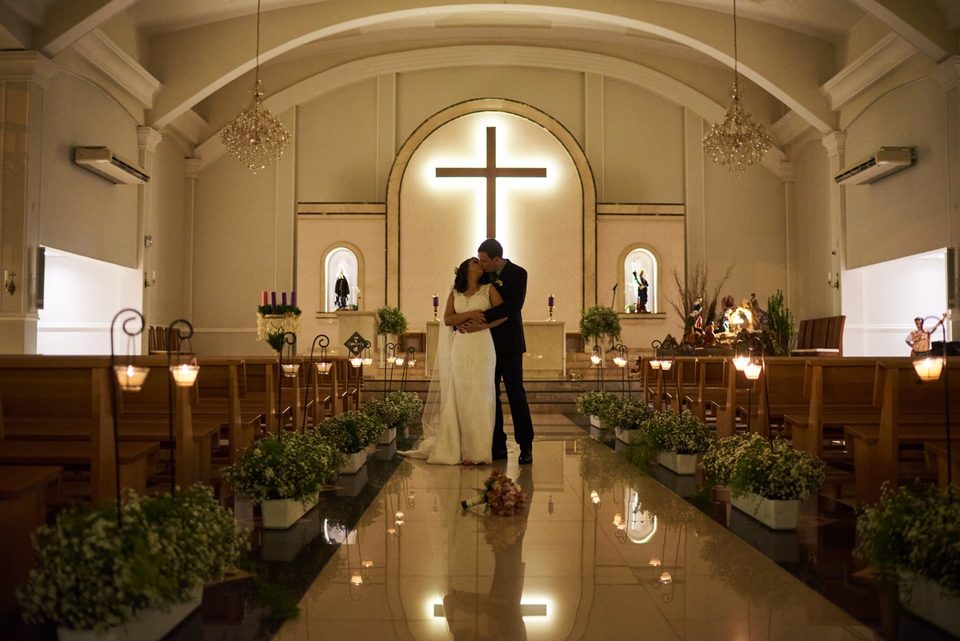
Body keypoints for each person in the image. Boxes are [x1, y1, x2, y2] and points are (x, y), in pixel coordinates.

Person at [400, 257, 505, 464]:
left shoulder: (489, 289)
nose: (480, 265)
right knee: (461, 394)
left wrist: (481, 326)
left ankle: (478, 451)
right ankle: (459, 448)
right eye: (475, 262)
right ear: (466, 269)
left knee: (481, 395)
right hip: (462, 346)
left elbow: (503, 315)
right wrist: (471, 314)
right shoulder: (455, 293)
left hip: (483, 345)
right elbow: (448, 319)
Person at [460, 239, 535, 465]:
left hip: (510, 344)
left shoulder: (518, 274)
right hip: (485, 344)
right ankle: (497, 444)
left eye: (484, 260)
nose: (481, 264)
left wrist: (477, 318)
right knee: (490, 396)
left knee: (516, 394)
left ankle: (526, 445)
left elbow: (512, 307)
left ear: (496, 259)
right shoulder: (483, 275)